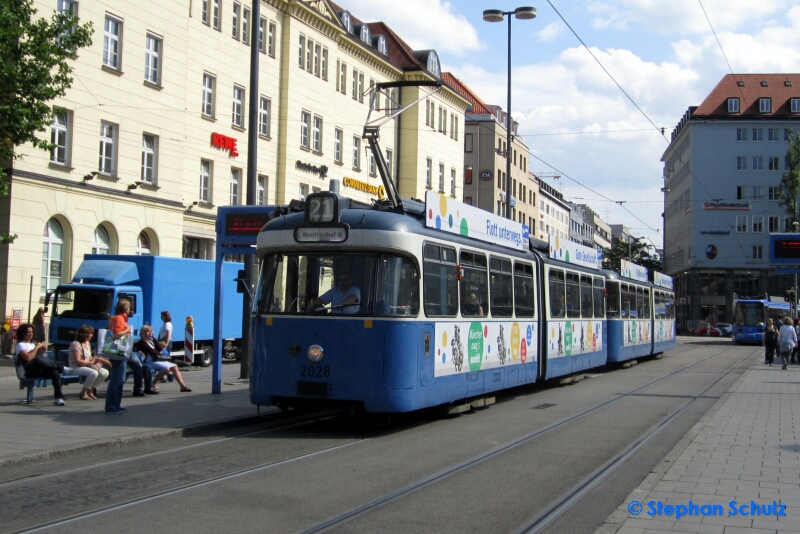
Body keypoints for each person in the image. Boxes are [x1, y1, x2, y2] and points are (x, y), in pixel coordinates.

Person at [15, 323, 66, 406]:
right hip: (29, 371)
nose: (30, 334)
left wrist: (41, 351)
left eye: (32, 332)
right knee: (38, 360)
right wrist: (37, 348)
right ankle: (62, 368)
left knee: (54, 372)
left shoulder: (32, 344)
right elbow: (28, 358)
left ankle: (58, 398)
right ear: (23, 333)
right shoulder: (20, 345)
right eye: (28, 332)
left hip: (38, 369)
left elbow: (38, 358)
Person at [135, 325, 192, 392]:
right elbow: (152, 351)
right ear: (143, 332)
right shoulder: (142, 341)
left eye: (151, 331)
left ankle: (182, 386)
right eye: (148, 331)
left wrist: (154, 339)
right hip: (148, 362)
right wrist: (159, 353)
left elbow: (159, 348)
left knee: (172, 367)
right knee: (169, 368)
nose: (150, 333)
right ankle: (152, 384)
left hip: (154, 360)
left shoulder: (150, 341)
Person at [68, 325, 111, 400]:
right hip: (76, 367)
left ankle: (90, 391)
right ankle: (83, 393)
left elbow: (89, 357)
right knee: (93, 373)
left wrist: (97, 360)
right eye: (90, 333)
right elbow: (78, 361)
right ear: (85, 335)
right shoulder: (75, 344)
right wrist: (91, 362)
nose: (92, 335)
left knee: (104, 372)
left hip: (87, 365)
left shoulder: (87, 343)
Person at [105, 299, 132, 413]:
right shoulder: (120, 318)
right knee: (117, 380)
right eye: (129, 308)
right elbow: (116, 334)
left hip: (119, 353)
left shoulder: (118, 318)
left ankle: (116, 405)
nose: (130, 310)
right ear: (126, 309)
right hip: (118, 353)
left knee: (119, 380)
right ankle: (111, 406)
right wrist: (127, 329)